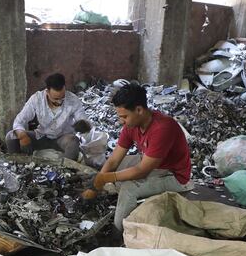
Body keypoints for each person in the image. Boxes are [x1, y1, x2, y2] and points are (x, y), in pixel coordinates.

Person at [83, 82, 194, 230]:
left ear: (139, 110)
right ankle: (127, 201)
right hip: (153, 164)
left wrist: (107, 178)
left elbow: (142, 171)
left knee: (129, 188)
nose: (121, 121)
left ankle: (120, 229)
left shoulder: (163, 128)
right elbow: (114, 160)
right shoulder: (131, 125)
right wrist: (96, 186)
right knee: (116, 167)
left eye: (124, 116)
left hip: (175, 176)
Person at [6, 73, 91, 161]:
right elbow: (19, 120)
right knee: (11, 136)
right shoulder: (37, 98)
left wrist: (83, 125)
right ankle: (17, 163)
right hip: (41, 136)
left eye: (62, 97)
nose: (59, 102)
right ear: (47, 92)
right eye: (55, 99)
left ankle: (66, 171)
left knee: (73, 141)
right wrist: (22, 136)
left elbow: (84, 121)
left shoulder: (73, 100)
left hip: (62, 139)